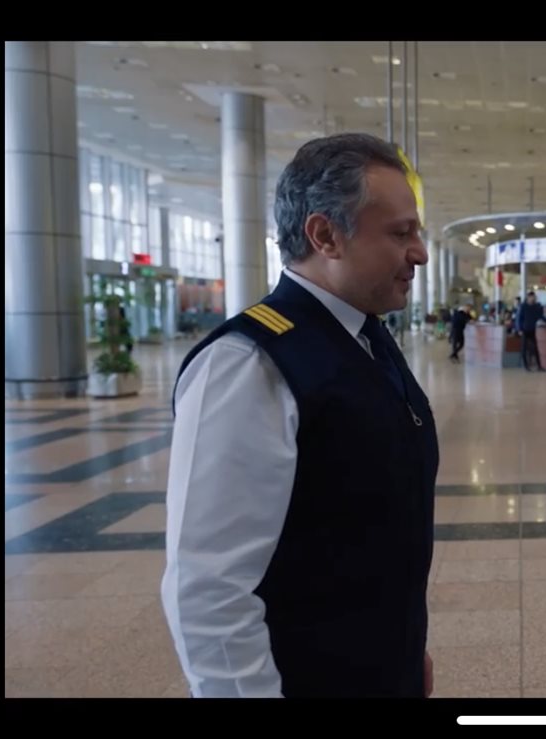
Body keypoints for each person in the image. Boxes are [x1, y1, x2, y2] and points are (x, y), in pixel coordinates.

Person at [161, 133, 438, 698]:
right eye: (400, 233)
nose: (420, 253)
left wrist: (405, 648)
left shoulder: (367, 339)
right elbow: (210, 588)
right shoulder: (248, 364)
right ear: (325, 235)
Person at [517, 292, 546, 371]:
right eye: (532, 297)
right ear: (528, 297)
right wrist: (519, 329)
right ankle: (526, 366)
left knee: (535, 348)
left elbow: (539, 316)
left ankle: (539, 366)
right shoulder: (523, 307)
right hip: (524, 329)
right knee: (524, 348)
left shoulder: (535, 307)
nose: (533, 299)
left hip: (532, 329)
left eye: (534, 297)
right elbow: (519, 318)